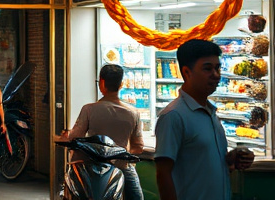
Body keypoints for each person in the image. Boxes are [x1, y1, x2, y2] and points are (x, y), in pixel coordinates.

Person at [155, 39, 254, 200]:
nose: (216, 75)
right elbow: (163, 174)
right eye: (208, 69)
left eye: (217, 68)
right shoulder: (174, 116)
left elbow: (200, 162)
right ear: (187, 72)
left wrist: (231, 159)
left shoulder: (211, 112)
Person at [59, 64, 144, 200]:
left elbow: (74, 138)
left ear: (102, 83)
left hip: (90, 169)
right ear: (121, 84)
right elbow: (138, 147)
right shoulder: (133, 113)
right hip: (121, 167)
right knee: (137, 197)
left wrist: (65, 136)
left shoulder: (89, 110)